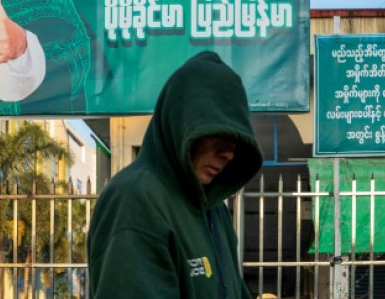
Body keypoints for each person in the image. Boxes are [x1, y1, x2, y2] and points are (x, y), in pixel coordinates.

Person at [88, 51, 263, 298]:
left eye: (236, 141)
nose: (228, 154)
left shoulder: (213, 208)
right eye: (217, 133)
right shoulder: (135, 199)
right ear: (181, 124)